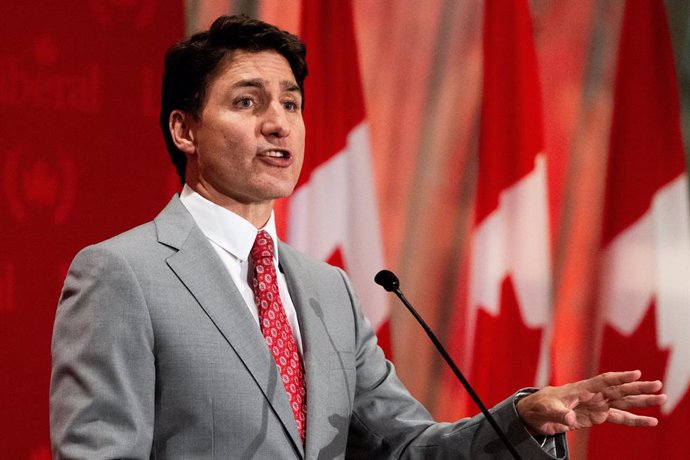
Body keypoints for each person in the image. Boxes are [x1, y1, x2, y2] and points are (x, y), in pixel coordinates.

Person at [50, 15, 666, 459]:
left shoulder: (329, 290)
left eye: (291, 104)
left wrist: (523, 418)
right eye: (247, 102)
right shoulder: (121, 273)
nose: (278, 124)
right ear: (184, 130)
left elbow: (409, 447)